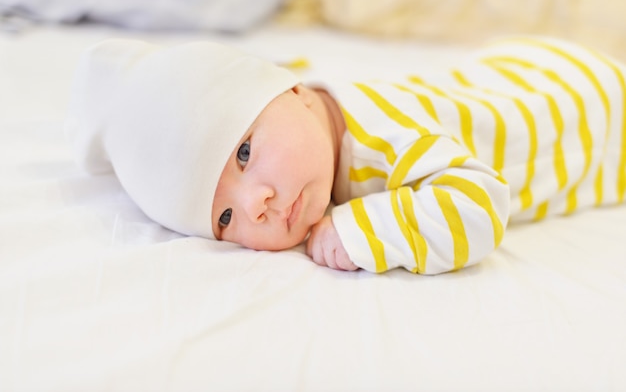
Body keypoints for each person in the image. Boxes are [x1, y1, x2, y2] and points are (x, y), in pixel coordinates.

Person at [66, 36, 626, 275]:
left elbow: (480, 207)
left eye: (240, 153)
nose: (255, 204)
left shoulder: (378, 139)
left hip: (594, 109)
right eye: (225, 218)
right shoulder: (310, 125)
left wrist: (363, 228)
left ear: (293, 90)